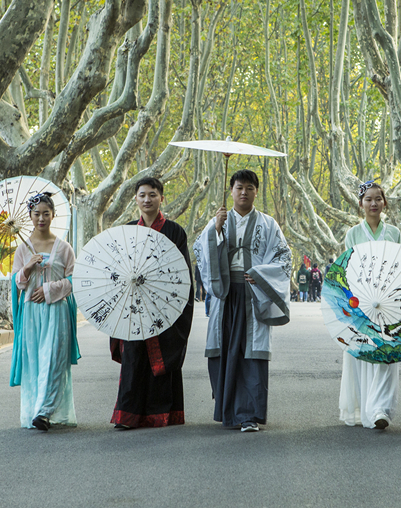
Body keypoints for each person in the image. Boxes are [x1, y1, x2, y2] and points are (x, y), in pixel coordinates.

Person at [194, 169, 292, 432]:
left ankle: (248, 415)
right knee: (225, 350)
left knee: (251, 354)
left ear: (256, 191)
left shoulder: (269, 224)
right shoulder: (219, 221)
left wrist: (260, 275)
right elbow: (200, 251)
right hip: (225, 295)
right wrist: (215, 229)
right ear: (231, 191)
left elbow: (284, 257)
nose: (244, 192)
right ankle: (228, 411)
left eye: (249, 187)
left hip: (253, 294)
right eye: (239, 187)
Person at [109, 177, 194, 429]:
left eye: (153, 195)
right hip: (134, 306)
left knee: (162, 359)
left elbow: (181, 274)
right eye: (143, 195)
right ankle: (128, 416)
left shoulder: (175, 231)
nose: (147, 200)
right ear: (135, 199)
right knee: (134, 358)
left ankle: (162, 414)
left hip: (163, 306)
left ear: (161, 198)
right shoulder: (127, 230)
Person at [10, 193, 80, 431]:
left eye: (46, 213)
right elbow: (18, 283)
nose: (41, 218)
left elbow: (74, 280)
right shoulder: (22, 249)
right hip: (31, 312)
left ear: (53, 215)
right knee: (35, 362)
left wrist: (50, 289)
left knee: (53, 359)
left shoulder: (64, 248)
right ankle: (35, 410)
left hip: (57, 310)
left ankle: (44, 411)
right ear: (30, 215)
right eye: (37, 213)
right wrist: (27, 268)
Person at [339, 181, 401, 430]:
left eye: (378, 198)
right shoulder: (352, 234)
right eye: (368, 199)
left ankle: (381, 409)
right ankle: (366, 407)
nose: (373, 203)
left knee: (387, 352)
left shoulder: (394, 233)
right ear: (361, 204)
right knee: (363, 354)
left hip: (388, 303)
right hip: (361, 302)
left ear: (384, 202)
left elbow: (400, 266)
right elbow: (347, 268)